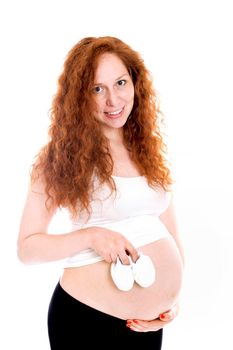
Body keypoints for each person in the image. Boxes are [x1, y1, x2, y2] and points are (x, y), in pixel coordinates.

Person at [17, 36, 184, 349]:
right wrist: (91, 237)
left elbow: (172, 237)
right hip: (86, 320)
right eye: (97, 88)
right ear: (80, 96)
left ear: (135, 83)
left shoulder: (150, 150)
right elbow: (27, 249)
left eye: (120, 83)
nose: (113, 99)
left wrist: (171, 304)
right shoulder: (59, 157)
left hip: (146, 327)